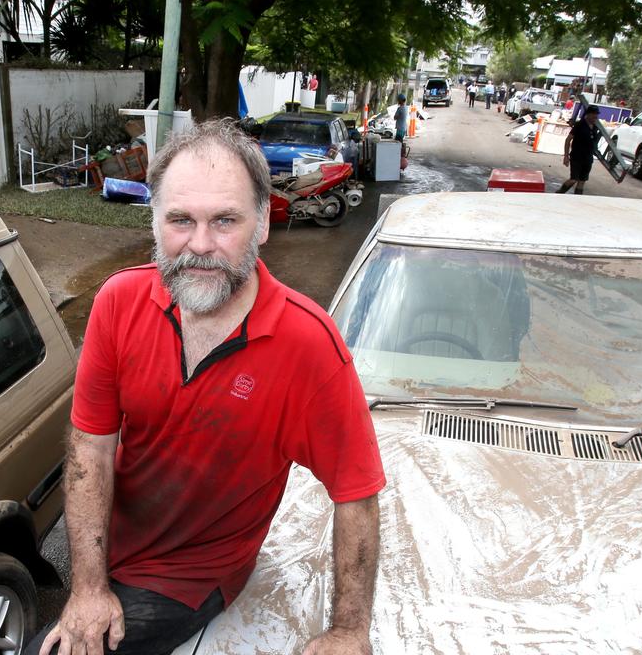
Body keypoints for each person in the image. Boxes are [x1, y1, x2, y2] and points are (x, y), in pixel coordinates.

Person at [31, 119, 386, 655]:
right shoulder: (118, 301)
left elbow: (356, 494)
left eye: (224, 221)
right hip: (107, 547)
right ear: (155, 221)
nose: (200, 245)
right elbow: (90, 446)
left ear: (263, 222)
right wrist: (86, 585)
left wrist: (349, 631)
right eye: (180, 220)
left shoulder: (308, 344)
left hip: (191, 575)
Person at [559, 105, 602, 195]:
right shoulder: (579, 125)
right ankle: (559, 194)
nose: (595, 116)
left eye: (596, 114)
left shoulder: (595, 127)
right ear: (588, 114)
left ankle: (577, 199)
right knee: (573, 179)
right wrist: (566, 156)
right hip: (577, 156)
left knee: (582, 181)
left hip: (588, 158)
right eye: (593, 114)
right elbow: (568, 140)